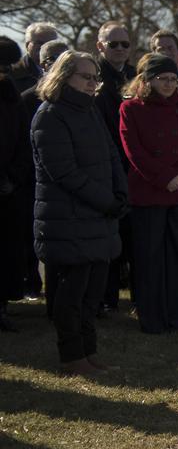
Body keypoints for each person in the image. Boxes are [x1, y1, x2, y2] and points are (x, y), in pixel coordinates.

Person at [30, 51, 128, 375]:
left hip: (97, 219)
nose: (92, 83)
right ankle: (72, 356)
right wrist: (106, 201)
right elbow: (65, 173)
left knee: (91, 295)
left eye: (94, 77)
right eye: (85, 77)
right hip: (68, 221)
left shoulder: (89, 111)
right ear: (63, 76)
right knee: (71, 295)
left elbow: (112, 154)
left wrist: (119, 192)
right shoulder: (50, 116)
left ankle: (88, 353)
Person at [118, 54, 178, 333]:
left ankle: (175, 316)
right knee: (149, 257)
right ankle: (151, 317)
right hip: (149, 191)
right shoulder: (130, 109)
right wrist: (164, 177)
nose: (169, 84)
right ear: (146, 80)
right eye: (162, 79)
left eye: (173, 79)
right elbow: (134, 151)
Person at [18, 40, 71, 301]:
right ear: (42, 64)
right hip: (35, 181)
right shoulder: (28, 99)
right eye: (52, 60)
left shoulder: (81, 101)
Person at [95, 21, 137, 313]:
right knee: (107, 239)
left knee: (134, 238)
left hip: (136, 168)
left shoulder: (136, 76)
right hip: (105, 169)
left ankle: (136, 296)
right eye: (114, 44)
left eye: (125, 44)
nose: (120, 49)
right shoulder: (91, 76)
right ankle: (105, 298)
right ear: (100, 46)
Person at [0, 37, 30, 331]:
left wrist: (13, 178)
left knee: (7, 251)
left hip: (9, 187)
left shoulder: (12, 98)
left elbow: (23, 141)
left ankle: (2, 307)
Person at [10, 22, 59, 94]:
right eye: (40, 43)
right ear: (27, 45)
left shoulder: (65, 71)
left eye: (50, 43)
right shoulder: (13, 73)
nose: (46, 47)